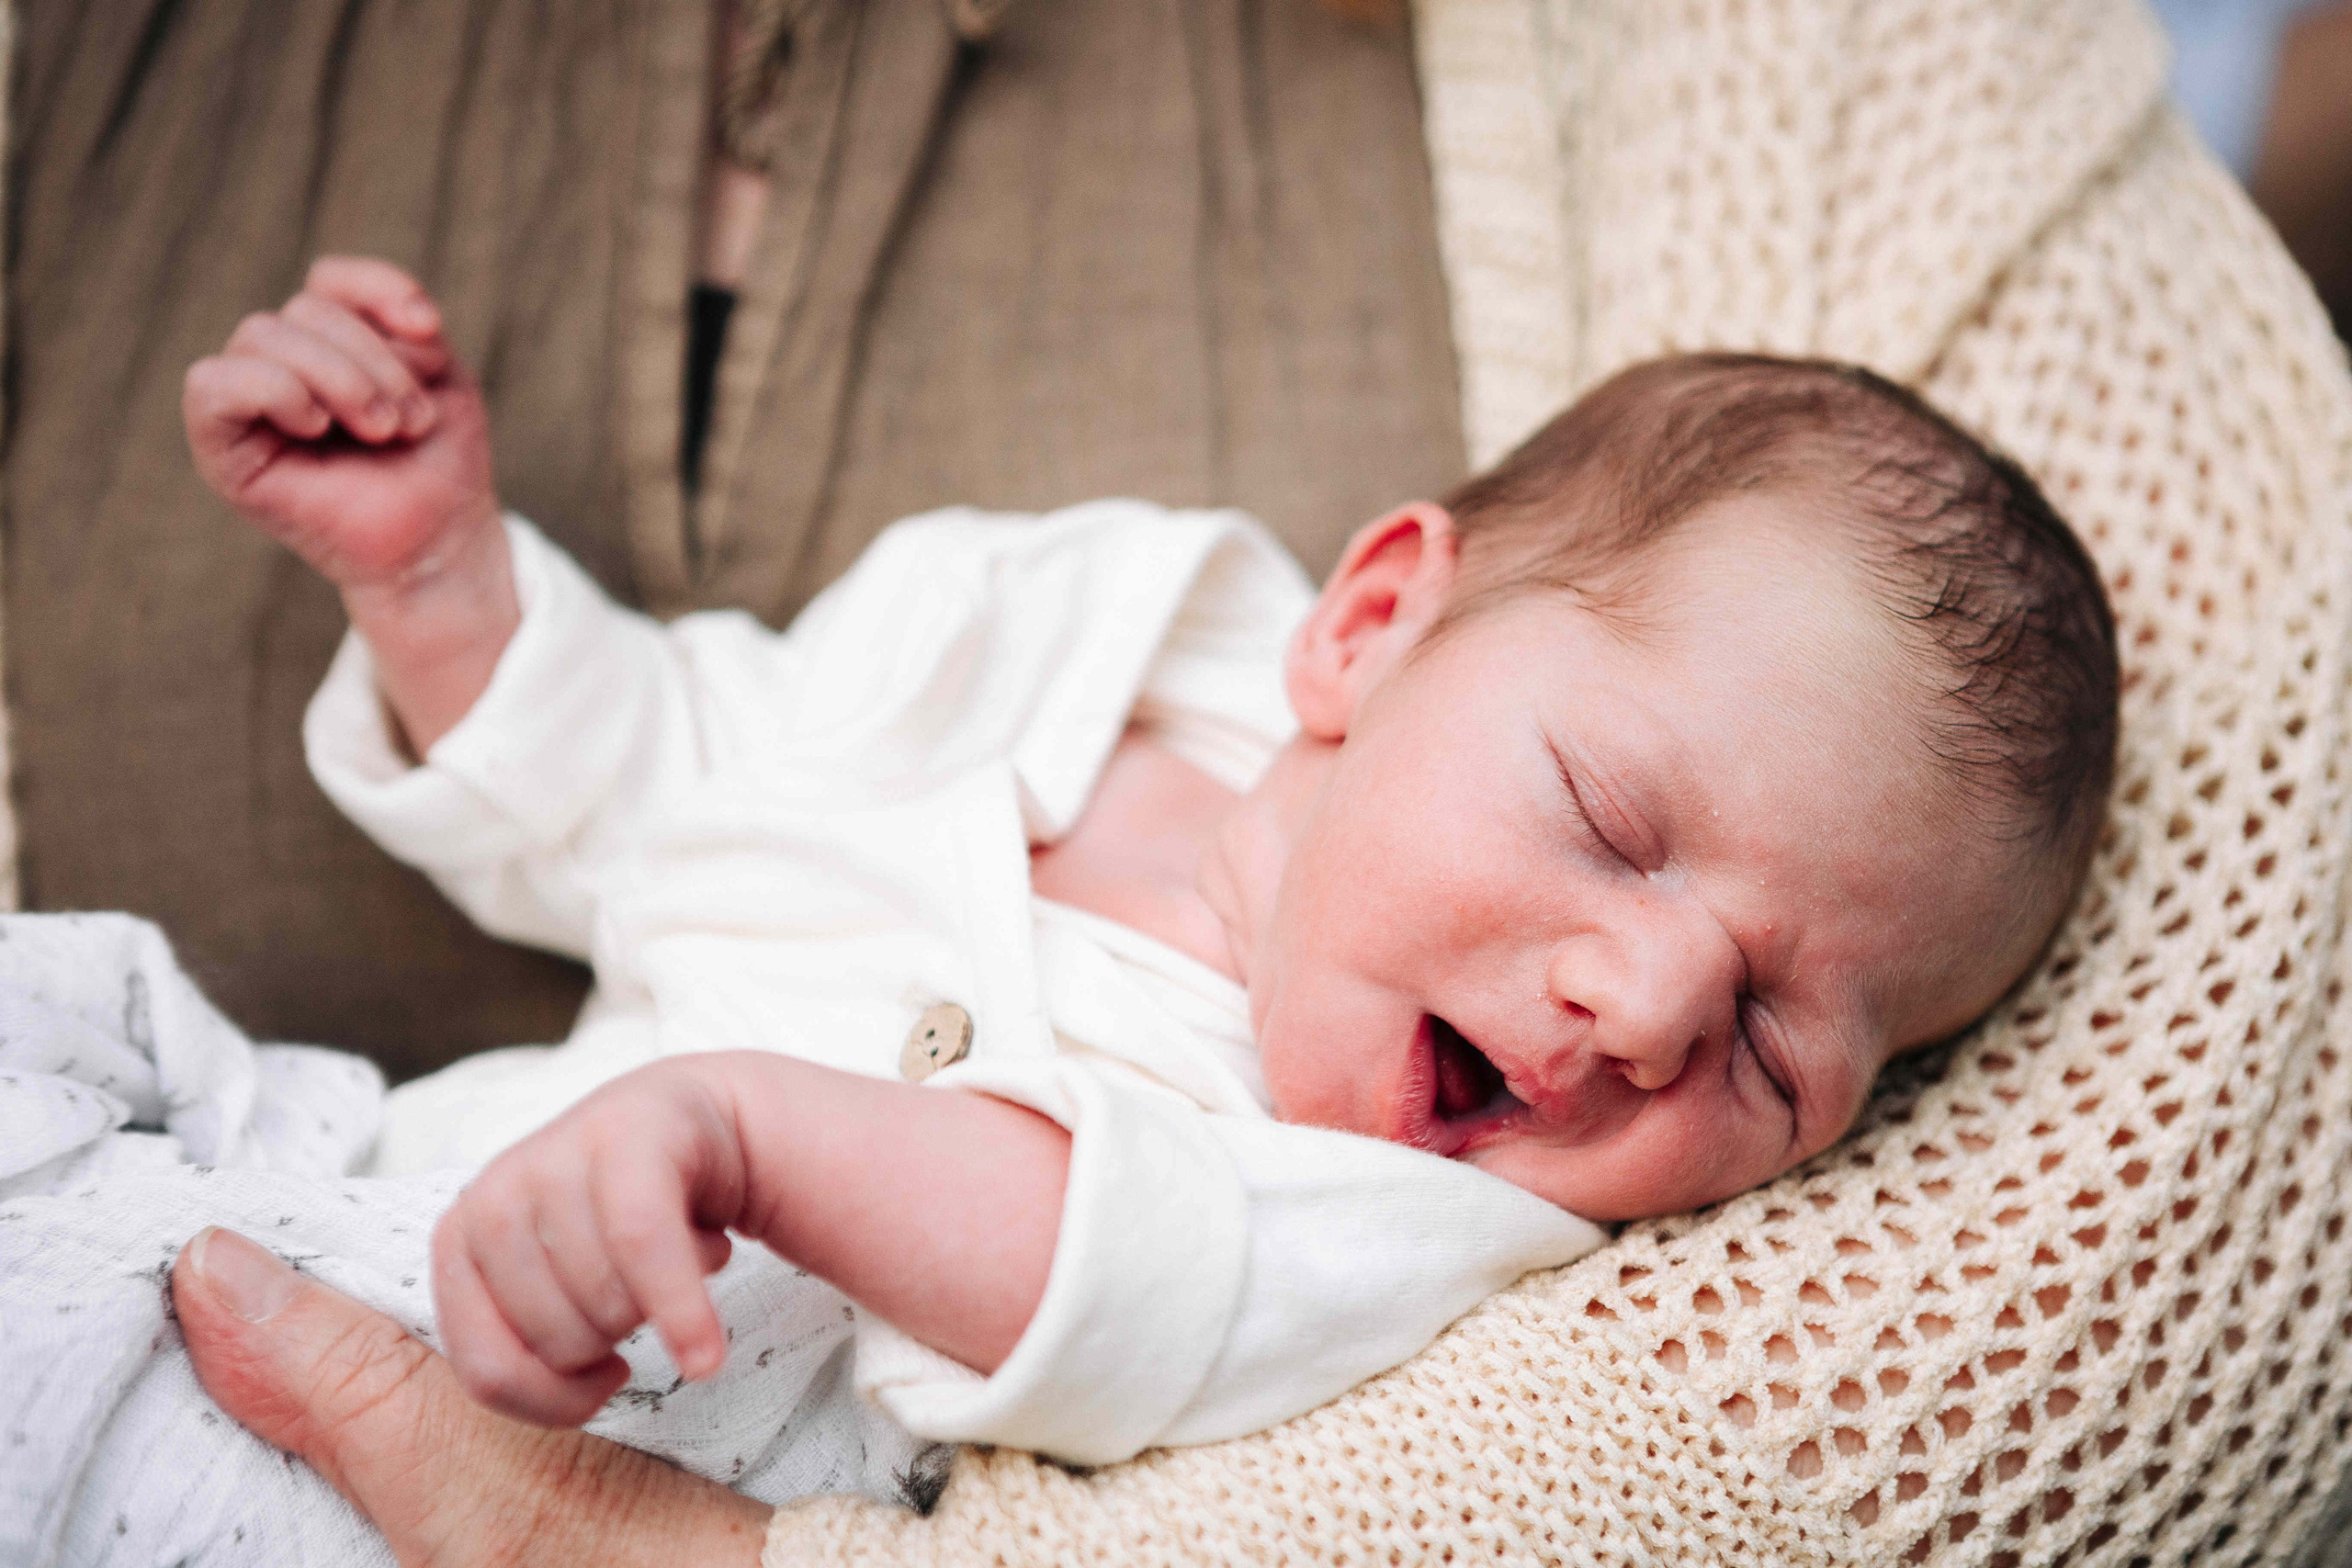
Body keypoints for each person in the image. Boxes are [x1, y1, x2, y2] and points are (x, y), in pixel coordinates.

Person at [2, 242, 2122, 1564]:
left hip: (517, 1440)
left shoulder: (1424, 1203)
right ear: (1373, 625)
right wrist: (441, 576)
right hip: (344, 1176)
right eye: (1612, 814)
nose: (1652, 1004)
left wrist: (749, 1133)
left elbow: (1118, 1281)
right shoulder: (1046, 632)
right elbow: (662, 770)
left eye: (1774, 1049)